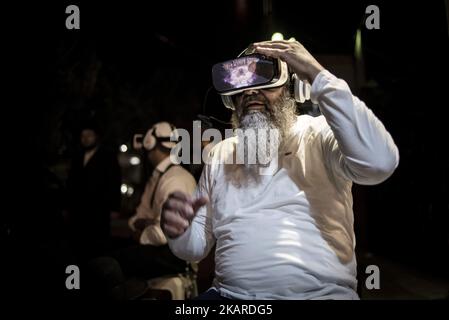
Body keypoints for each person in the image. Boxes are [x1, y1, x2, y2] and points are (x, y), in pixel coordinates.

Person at [160, 40, 399, 300]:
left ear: (293, 89)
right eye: (242, 85)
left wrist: (318, 76)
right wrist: (179, 231)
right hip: (229, 297)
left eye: (263, 78)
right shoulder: (220, 154)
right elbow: (194, 248)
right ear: (231, 100)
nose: (251, 92)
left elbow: (379, 164)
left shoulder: (319, 135)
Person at [86, 122, 197, 300]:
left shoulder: (174, 179)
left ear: (149, 142)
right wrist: (148, 224)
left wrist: (141, 233)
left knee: (109, 264)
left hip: (175, 257)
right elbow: (138, 217)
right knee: (104, 250)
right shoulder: (162, 176)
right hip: (165, 250)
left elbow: (162, 234)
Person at [65, 122, 121, 261]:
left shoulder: (107, 155)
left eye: (89, 135)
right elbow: (71, 182)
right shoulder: (77, 155)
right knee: (79, 244)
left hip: (99, 208)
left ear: (96, 137)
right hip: (78, 208)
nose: (85, 139)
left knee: (98, 244)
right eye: (83, 136)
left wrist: (114, 207)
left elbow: (114, 181)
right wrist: (67, 205)